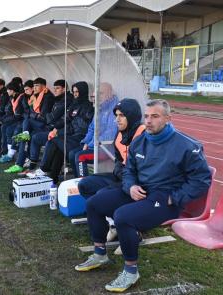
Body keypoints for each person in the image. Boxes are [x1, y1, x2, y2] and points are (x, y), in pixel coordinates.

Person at [75, 99, 211, 293]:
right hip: (140, 191)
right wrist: (130, 187)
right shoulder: (140, 141)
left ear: (168, 118)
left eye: (154, 116)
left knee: (123, 217)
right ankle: (99, 254)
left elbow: (201, 180)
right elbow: (129, 170)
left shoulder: (187, 145)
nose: (148, 121)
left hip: (165, 198)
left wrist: (174, 198)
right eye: (146, 116)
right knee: (95, 203)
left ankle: (131, 271)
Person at [78, 98, 145, 242]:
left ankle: (132, 228)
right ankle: (113, 223)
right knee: (85, 185)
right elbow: (119, 161)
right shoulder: (120, 133)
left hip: (136, 184)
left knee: (102, 195)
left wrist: (124, 176)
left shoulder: (144, 136)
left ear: (132, 115)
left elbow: (143, 171)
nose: (117, 120)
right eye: (116, 115)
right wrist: (119, 172)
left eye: (122, 115)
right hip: (121, 176)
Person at [29, 81, 93, 183]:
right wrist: (57, 129)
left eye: (77, 92)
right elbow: (66, 120)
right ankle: (52, 178)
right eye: (74, 92)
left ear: (83, 92)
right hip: (71, 135)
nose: (75, 94)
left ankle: (43, 169)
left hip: (79, 138)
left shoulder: (88, 107)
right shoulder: (74, 105)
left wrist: (60, 131)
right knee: (57, 146)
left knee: (54, 141)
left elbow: (81, 127)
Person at [4, 79, 73, 173]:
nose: (34, 88)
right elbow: (29, 112)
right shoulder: (36, 97)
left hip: (49, 127)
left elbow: (48, 117)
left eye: (36, 86)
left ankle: (23, 161)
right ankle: (24, 162)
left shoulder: (50, 97)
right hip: (45, 125)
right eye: (54, 88)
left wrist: (37, 116)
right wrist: (37, 115)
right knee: (26, 135)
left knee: (26, 128)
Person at [72, 82, 119, 178]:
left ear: (109, 94)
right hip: (96, 146)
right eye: (94, 96)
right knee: (72, 154)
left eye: (100, 93)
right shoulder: (100, 108)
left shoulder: (114, 110)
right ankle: (77, 182)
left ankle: (84, 184)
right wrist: (85, 142)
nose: (96, 98)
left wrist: (90, 145)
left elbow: (110, 135)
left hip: (108, 149)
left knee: (80, 156)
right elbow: (91, 128)